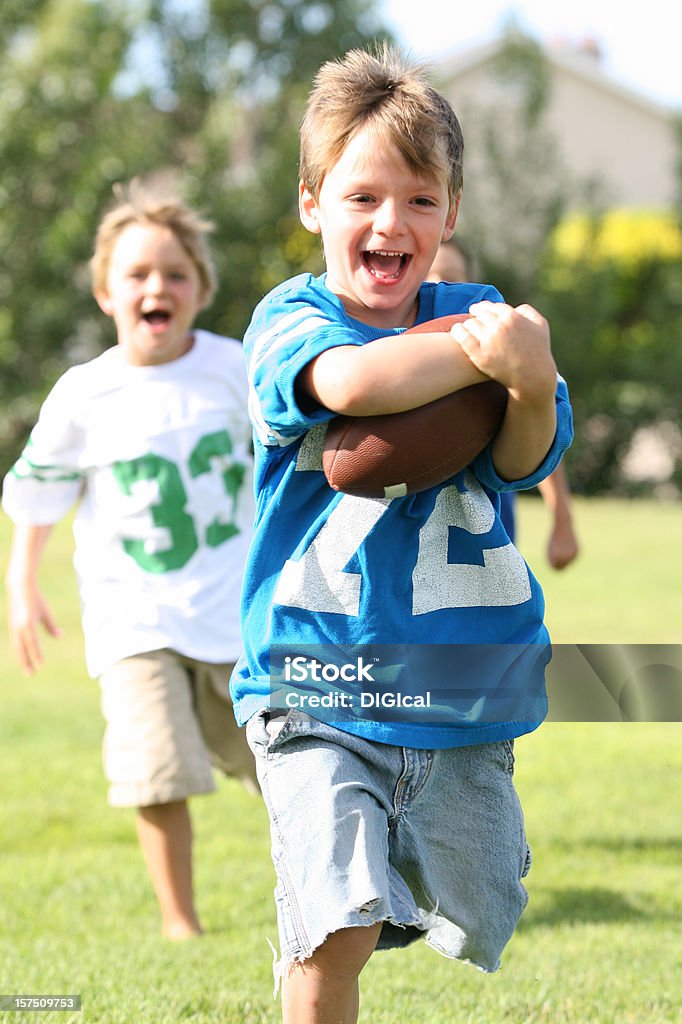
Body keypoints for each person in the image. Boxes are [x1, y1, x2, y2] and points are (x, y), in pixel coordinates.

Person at [231, 46, 573, 1024]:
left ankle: (342, 907)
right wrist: (491, 355)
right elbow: (346, 391)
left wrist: (527, 377)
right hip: (313, 684)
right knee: (335, 925)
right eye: (362, 196)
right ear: (311, 204)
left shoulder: (479, 314)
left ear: (451, 215)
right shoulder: (291, 318)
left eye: (421, 200)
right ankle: (320, 934)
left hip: (456, 693)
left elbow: (521, 456)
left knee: (483, 893)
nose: (391, 223)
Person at [2, 179, 257, 940]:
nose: (157, 287)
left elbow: (288, 458)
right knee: (158, 772)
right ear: (106, 292)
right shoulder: (86, 393)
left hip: (233, 610)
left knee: (285, 763)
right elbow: (39, 493)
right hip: (133, 616)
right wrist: (21, 585)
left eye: (175, 274)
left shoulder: (232, 367)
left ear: (201, 290)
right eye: (138, 275)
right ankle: (180, 920)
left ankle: (332, 894)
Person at [427, 238, 580, 569]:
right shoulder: (393, 351)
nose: (438, 283)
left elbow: (542, 426)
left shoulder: (501, 353)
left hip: (488, 528)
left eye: (450, 276)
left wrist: (562, 520)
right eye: (429, 274)